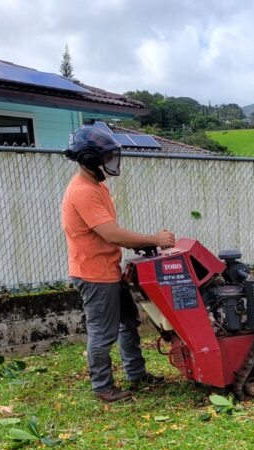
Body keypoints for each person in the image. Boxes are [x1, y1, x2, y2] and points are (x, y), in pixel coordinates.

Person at [61, 122, 176, 403]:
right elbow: (111, 234)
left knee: (128, 323)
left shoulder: (96, 185)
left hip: (108, 269)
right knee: (103, 333)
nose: (111, 163)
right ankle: (103, 387)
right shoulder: (83, 191)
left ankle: (136, 374)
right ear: (90, 160)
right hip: (94, 275)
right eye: (107, 158)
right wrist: (154, 240)